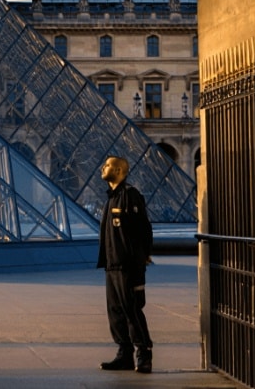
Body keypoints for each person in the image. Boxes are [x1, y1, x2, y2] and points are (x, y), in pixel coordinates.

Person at [96, 155, 154, 373]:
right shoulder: (112, 197)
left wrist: (142, 259)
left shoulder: (130, 196)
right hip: (112, 265)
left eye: (108, 165)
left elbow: (144, 230)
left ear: (119, 170)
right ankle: (124, 353)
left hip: (129, 266)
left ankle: (143, 353)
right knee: (116, 313)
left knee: (132, 311)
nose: (103, 167)